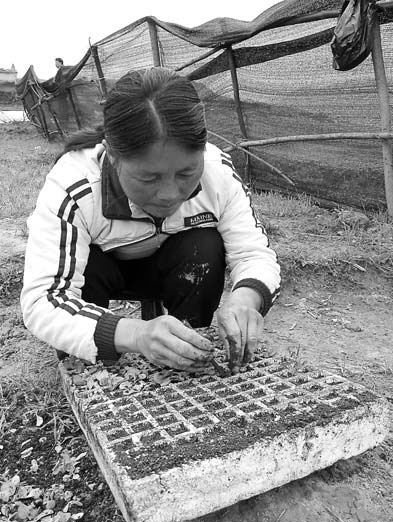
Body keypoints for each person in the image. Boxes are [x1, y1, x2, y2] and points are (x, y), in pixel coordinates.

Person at [21, 67, 281, 374]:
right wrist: (135, 334)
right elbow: (45, 299)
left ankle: (188, 343)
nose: (170, 194)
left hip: (168, 267)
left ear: (202, 150)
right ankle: (89, 371)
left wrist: (245, 302)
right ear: (113, 157)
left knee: (204, 245)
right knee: (86, 268)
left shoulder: (217, 172)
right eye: (148, 177)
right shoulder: (74, 185)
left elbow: (254, 254)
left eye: (186, 173)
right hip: (102, 273)